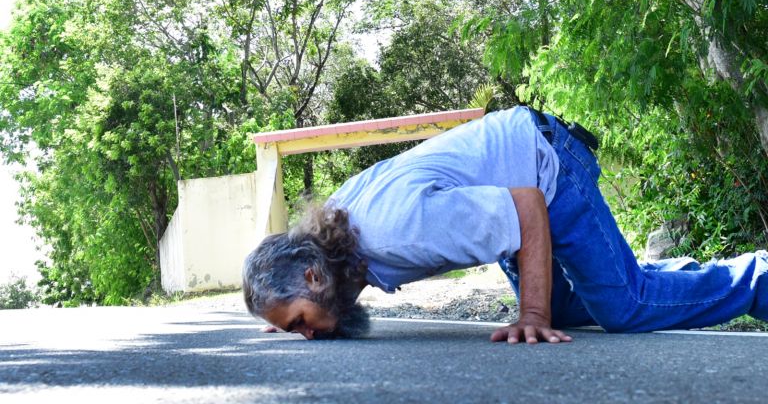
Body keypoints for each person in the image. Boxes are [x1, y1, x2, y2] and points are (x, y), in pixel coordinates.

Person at [242, 106, 768, 344]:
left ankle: (759, 279)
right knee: (582, 302)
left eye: (301, 322)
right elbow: (330, 295)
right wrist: (288, 312)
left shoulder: (399, 228)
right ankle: (634, 276)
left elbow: (527, 208)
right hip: (514, 177)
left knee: (622, 308)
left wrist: (531, 313)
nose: (307, 334)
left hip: (547, 167)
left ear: (313, 276)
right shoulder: (336, 245)